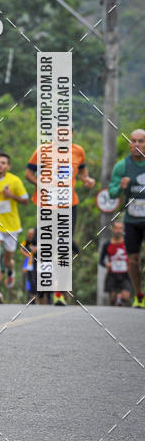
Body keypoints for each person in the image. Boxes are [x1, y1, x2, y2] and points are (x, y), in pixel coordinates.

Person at [25, 129, 95, 306]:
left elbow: (82, 173)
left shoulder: (78, 151)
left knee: (64, 245)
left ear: (72, 134)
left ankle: (59, 293)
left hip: (69, 205)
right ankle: (43, 288)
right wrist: (40, 184)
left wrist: (87, 180)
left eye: (66, 133)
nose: (62, 136)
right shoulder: (42, 151)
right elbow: (28, 174)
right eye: (59, 132)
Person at [0, 153, 29, 302]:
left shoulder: (14, 181)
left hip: (11, 226)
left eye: (3, 163)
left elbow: (26, 201)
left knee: (8, 259)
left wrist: (11, 195)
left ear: (8, 166)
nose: (0, 165)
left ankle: (10, 270)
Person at [108, 129, 145, 307]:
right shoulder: (122, 166)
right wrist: (121, 187)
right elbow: (112, 193)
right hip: (132, 220)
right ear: (130, 144)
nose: (137, 144)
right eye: (133, 141)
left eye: (141, 141)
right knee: (133, 260)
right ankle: (139, 295)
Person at [99, 220, 131, 306]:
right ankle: (116, 300)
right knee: (112, 300)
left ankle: (120, 298)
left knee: (125, 297)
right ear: (112, 229)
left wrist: (130, 265)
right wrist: (106, 264)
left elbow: (133, 256)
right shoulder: (107, 244)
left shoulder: (128, 243)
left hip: (125, 274)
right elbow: (101, 261)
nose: (118, 231)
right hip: (112, 274)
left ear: (123, 230)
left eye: (120, 228)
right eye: (116, 228)